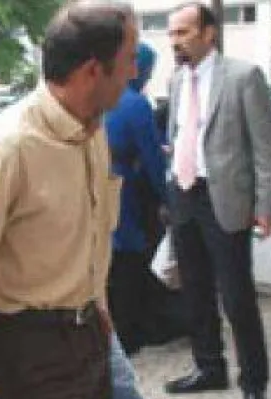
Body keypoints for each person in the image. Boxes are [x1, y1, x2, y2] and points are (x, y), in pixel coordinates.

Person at [0, 2, 138, 399]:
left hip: (89, 332)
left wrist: (99, 307)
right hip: (28, 350)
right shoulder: (6, 148)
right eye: (129, 59)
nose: (134, 72)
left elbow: (94, 234)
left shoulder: (92, 132)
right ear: (93, 70)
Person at [163, 4, 271, 399]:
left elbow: (265, 150)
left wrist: (266, 205)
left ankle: (254, 383)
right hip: (184, 194)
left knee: (236, 297)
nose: (175, 41)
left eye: (183, 32)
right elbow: (179, 134)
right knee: (195, 291)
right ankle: (209, 368)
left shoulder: (243, 77)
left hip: (225, 200)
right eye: (171, 34)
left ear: (208, 33)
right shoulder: (177, 80)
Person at [105, 42, 169, 355]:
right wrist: (168, 196)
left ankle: (108, 332)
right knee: (129, 258)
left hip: (93, 184)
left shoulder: (100, 96)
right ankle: (128, 335)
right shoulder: (135, 103)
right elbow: (153, 158)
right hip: (124, 188)